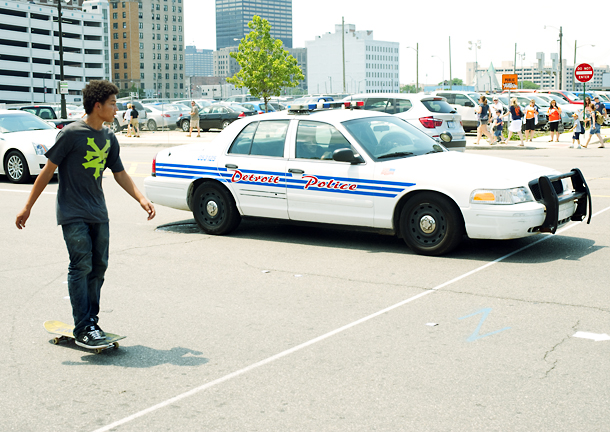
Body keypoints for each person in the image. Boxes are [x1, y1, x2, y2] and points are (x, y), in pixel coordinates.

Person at [15, 80, 156, 348]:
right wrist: (28, 206)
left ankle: (90, 320)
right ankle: (83, 326)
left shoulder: (109, 137)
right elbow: (47, 172)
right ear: (97, 105)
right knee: (81, 265)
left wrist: (140, 198)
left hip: (98, 211)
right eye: (113, 103)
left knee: (99, 267)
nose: (117, 109)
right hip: (72, 211)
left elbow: (120, 173)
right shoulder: (70, 134)